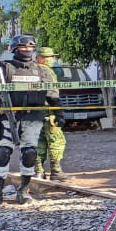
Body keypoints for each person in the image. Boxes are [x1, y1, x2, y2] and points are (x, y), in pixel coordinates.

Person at [0, 35, 60, 208]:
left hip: (33, 118)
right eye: (22, 48)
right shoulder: (3, 71)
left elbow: (53, 96)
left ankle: (24, 189)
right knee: (3, 152)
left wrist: (59, 114)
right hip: (8, 118)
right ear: (14, 49)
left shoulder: (42, 71)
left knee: (30, 153)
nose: (26, 51)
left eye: (29, 48)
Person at [33, 46, 70, 182]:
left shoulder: (31, 71)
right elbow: (52, 94)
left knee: (39, 141)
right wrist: (59, 113)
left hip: (35, 112)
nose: (52, 61)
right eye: (50, 58)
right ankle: (56, 171)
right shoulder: (48, 71)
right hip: (50, 111)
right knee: (56, 140)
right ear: (41, 58)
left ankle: (38, 171)